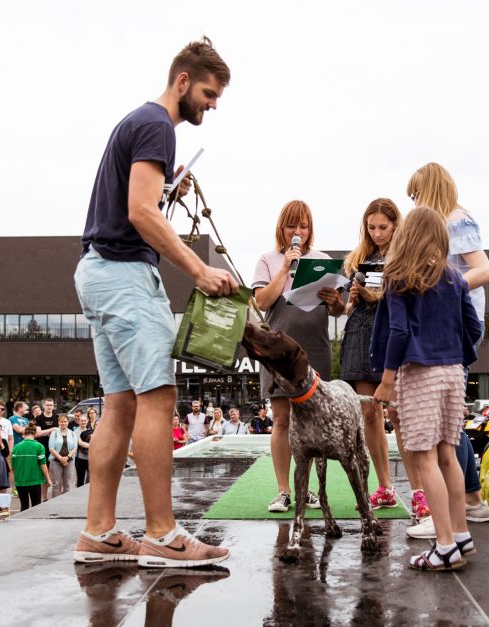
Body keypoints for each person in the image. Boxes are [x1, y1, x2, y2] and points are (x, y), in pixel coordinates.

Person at [71, 37, 235, 568]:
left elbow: (140, 203)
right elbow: (141, 213)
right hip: (123, 275)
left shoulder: (139, 124)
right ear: (183, 80)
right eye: (209, 94)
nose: (213, 105)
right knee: (158, 396)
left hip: (98, 271)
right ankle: (162, 535)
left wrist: (168, 195)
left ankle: (98, 531)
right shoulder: (157, 125)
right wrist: (199, 270)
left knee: (118, 404)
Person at [371, 207, 482, 571]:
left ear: (405, 237)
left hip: (420, 372)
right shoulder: (453, 277)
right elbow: (473, 325)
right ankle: (461, 535)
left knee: (424, 457)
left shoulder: (399, 277)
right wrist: (457, 352)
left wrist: (387, 380)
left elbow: (399, 332)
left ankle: (445, 545)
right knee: (448, 453)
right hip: (453, 372)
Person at [407, 162, 489, 525]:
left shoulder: (456, 221)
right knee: (450, 418)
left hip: (454, 323)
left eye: (415, 194)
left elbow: (484, 269)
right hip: (450, 322)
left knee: (446, 421)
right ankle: (471, 499)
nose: (413, 202)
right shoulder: (446, 222)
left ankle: (458, 508)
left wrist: (440, 289)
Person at [252, 199, 345, 513]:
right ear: (282, 227)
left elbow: (338, 310)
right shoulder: (268, 260)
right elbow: (262, 301)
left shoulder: (322, 260)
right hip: (278, 348)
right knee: (281, 420)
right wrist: (285, 268)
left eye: (303, 226)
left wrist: (334, 300)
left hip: (315, 348)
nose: (298, 231)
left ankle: (311, 491)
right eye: (293, 225)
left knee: (315, 423)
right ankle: (283, 491)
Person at [336, 198, 402, 510]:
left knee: (398, 414)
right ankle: (385, 487)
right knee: (370, 414)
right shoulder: (358, 259)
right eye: (371, 227)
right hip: (360, 332)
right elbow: (347, 310)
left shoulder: (405, 256)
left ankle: (418, 491)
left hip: (392, 332)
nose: (377, 233)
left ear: (396, 225)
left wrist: (375, 295)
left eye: (383, 227)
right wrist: (352, 298)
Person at [11, 425, 52, 511]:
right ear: (35, 433)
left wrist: (14, 483)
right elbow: (43, 464)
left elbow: (12, 467)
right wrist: (48, 479)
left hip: (20, 481)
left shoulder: (16, 447)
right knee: (36, 506)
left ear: (24, 433)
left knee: (24, 505)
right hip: (34, 480)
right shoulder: (39, 446)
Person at [48, 415, 77, 497]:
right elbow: (51, 448)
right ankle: (55, 503)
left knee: (67, 484)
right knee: (56, 484)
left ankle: (66, 503)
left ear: (68, 422)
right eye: (61, 421)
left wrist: (67, 457)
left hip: (69, 461)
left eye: (65, 421)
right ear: (59, 422)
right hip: (55, 461)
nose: (63, 423)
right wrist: (61, 458)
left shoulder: (72, 433)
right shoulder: (54, 433)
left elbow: (75, 447)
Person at [74, 411, 93, 487]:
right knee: (80, 480)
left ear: (87, 421)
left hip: (90, 458)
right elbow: (80, 443)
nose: (83, 422)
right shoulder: (75, 432)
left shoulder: (90, 430)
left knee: (91, 479)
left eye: (85, 420)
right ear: (78, 422)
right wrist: (94, 445)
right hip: (80, 458)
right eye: (81, 421)